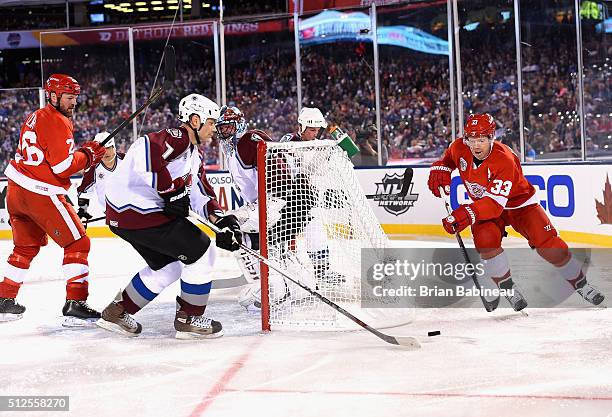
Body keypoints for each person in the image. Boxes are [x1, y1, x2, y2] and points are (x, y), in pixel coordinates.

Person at [96, 93, 242, 339]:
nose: (214, 130)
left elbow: (201, 194)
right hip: (139, 212)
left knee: (168, 268)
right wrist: (171, 191)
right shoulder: (178, 138)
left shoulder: (193, 157)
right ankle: (189, 317)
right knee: (203, 251)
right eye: (210, 123)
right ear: (195, 120)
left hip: (127, 217)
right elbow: (143, 149)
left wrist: (222, 221)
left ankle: (117, 311)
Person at [428, 113, 604, 311]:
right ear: (465, 139)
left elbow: (494, 204)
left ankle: (581, 284)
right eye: (472, 140)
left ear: (491, 137)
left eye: (482, 140)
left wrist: (465, 214)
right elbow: (449, 159)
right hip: (486, 205)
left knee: (552, 247)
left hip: (520, 205)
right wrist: (441, 167)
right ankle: (507, 287)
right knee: (485, 240)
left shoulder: (504, 159)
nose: (476, 146)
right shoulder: (459, 147)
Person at [0, 74, 106, 325]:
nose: (74, 103)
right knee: (78, 243)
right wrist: (88, 155)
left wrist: (84, 153)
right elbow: (63, 166)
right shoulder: (57, 120)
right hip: (41, 193)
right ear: (53, 96)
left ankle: (4, 298)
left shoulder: (35, 115)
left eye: (75, 98)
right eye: (69, 98)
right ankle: (76, 302)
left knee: (25, 248)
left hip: (16, 190)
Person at [76, 131, 125, 226]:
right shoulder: (93, 168)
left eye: (108, 148)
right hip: (111, 212)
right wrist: (82, 211)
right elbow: (85, 191)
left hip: (134, 208)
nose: (106, 152)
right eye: (102, 149)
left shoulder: (127, 160)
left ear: (114, 147)